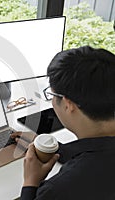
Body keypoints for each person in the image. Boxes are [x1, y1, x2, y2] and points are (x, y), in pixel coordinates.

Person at [15, 46, 115, 199]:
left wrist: (31, 181)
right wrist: (53, 148)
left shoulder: (60, 188)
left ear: (68, 104)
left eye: (52, 94)